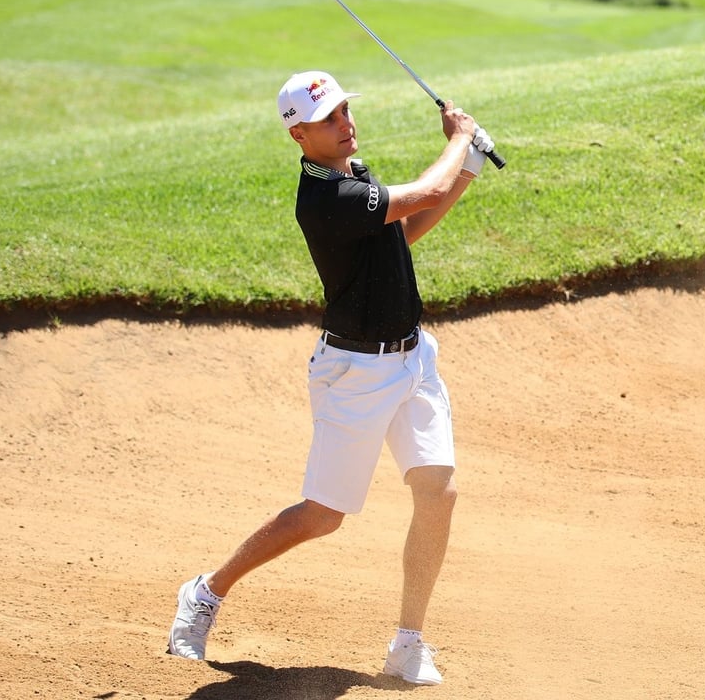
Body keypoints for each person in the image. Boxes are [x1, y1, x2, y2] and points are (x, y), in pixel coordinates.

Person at [165, 70, 493, 686]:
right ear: (299, 136)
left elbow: (404, 230)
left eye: (345, 111)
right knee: (323, 515)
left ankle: (408, 642)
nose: (346, 125)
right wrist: (459, 140)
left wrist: (466, 168)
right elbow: (419, 194)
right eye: (330, 120)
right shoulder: (324, 198)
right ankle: (206, 592)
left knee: (438, 493)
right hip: (355, 373)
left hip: (412, 359)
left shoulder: (355, 174)